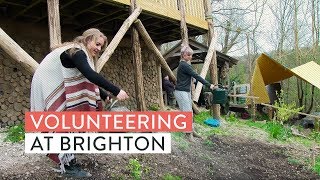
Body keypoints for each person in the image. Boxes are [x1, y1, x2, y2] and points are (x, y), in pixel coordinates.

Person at [30, 28, 129, 177]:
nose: (99, 48)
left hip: (48, 85)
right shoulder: (77, 52)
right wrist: (116, 91)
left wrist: (103, 94)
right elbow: (90, 74)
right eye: (97, 44)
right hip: (46, 86)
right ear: (88, 39)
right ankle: (69, 165)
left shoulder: (79, 52)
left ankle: (67, 159)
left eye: (101, 46)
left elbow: (84, 78)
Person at [174, 45, 216, 141]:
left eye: (191, 55)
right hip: (181, 92)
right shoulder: (184, 65)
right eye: (188, 54)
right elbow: (196, 76)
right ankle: (188, 135)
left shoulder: (185, 64)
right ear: (182, 55)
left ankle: (191, 131)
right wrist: (209, 85)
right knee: (187, 113)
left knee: (189, 112)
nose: (190, 56)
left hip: (185, 91)